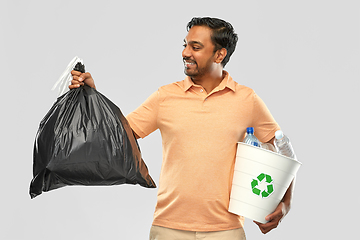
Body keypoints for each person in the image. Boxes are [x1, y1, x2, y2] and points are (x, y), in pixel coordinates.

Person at [70, 17, 295, 240]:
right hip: (169, 229)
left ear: (220, 54)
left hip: (226, 231)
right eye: (185, 45)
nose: (185, 53)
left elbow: (284, 151)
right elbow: (116, 137)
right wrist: (92, 96)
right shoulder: (165, 96)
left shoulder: (246, 99)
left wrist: (285, 204)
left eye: (195, 47)